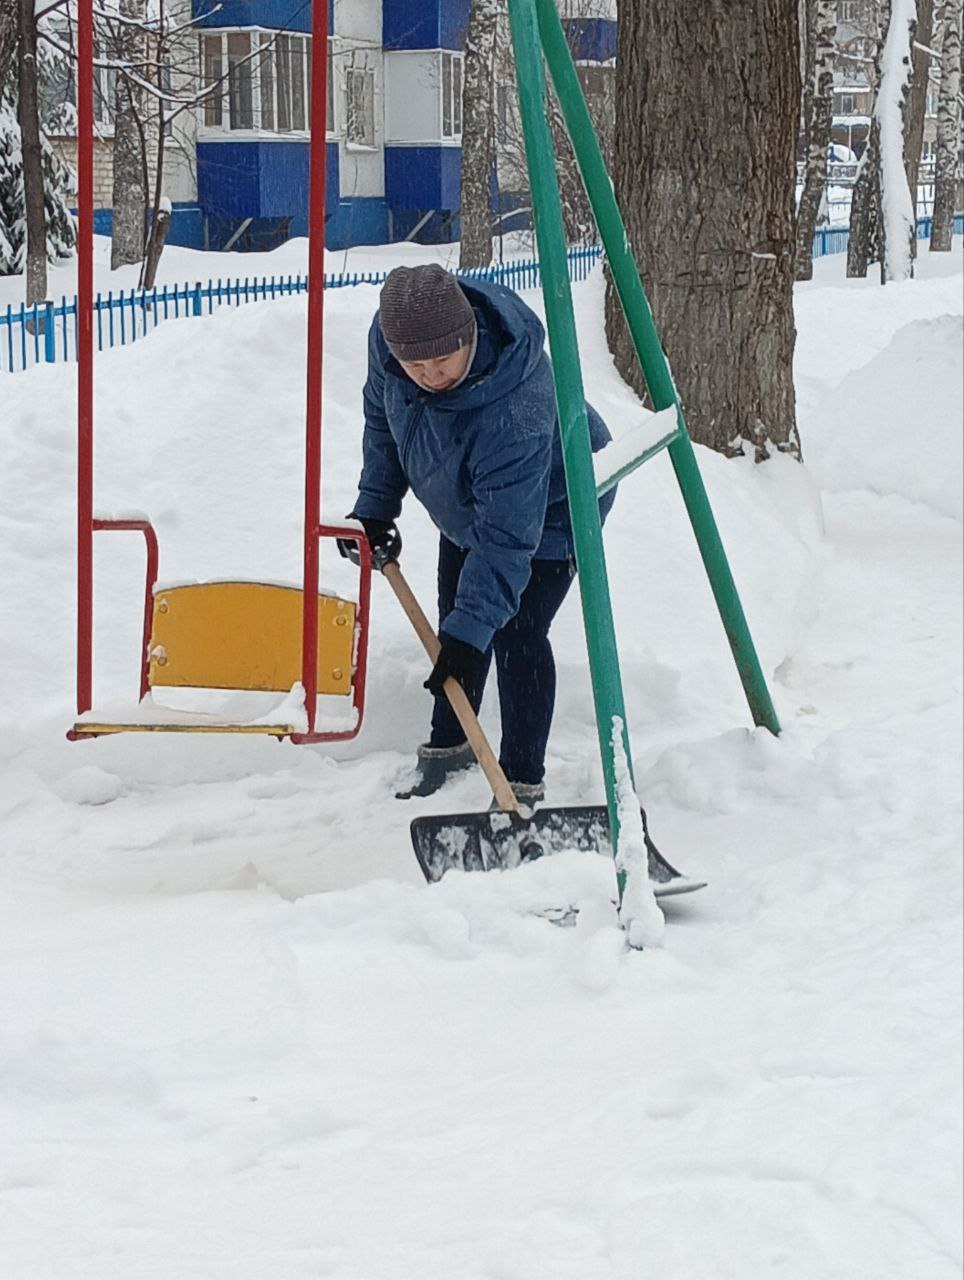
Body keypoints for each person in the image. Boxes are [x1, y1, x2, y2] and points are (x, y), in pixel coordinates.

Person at [338, 263, 615, 803]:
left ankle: (520, 782)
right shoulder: (393, 341)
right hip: (467, 494)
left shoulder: (518, 405)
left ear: (468, 335)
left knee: (513, 633)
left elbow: (507, 537)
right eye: (415, 364)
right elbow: (383, 418)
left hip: (555, 500)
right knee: (457, 622)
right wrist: (375, 506)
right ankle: (451, 745)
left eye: (443, 360)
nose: (429, 374)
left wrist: (472, 632)